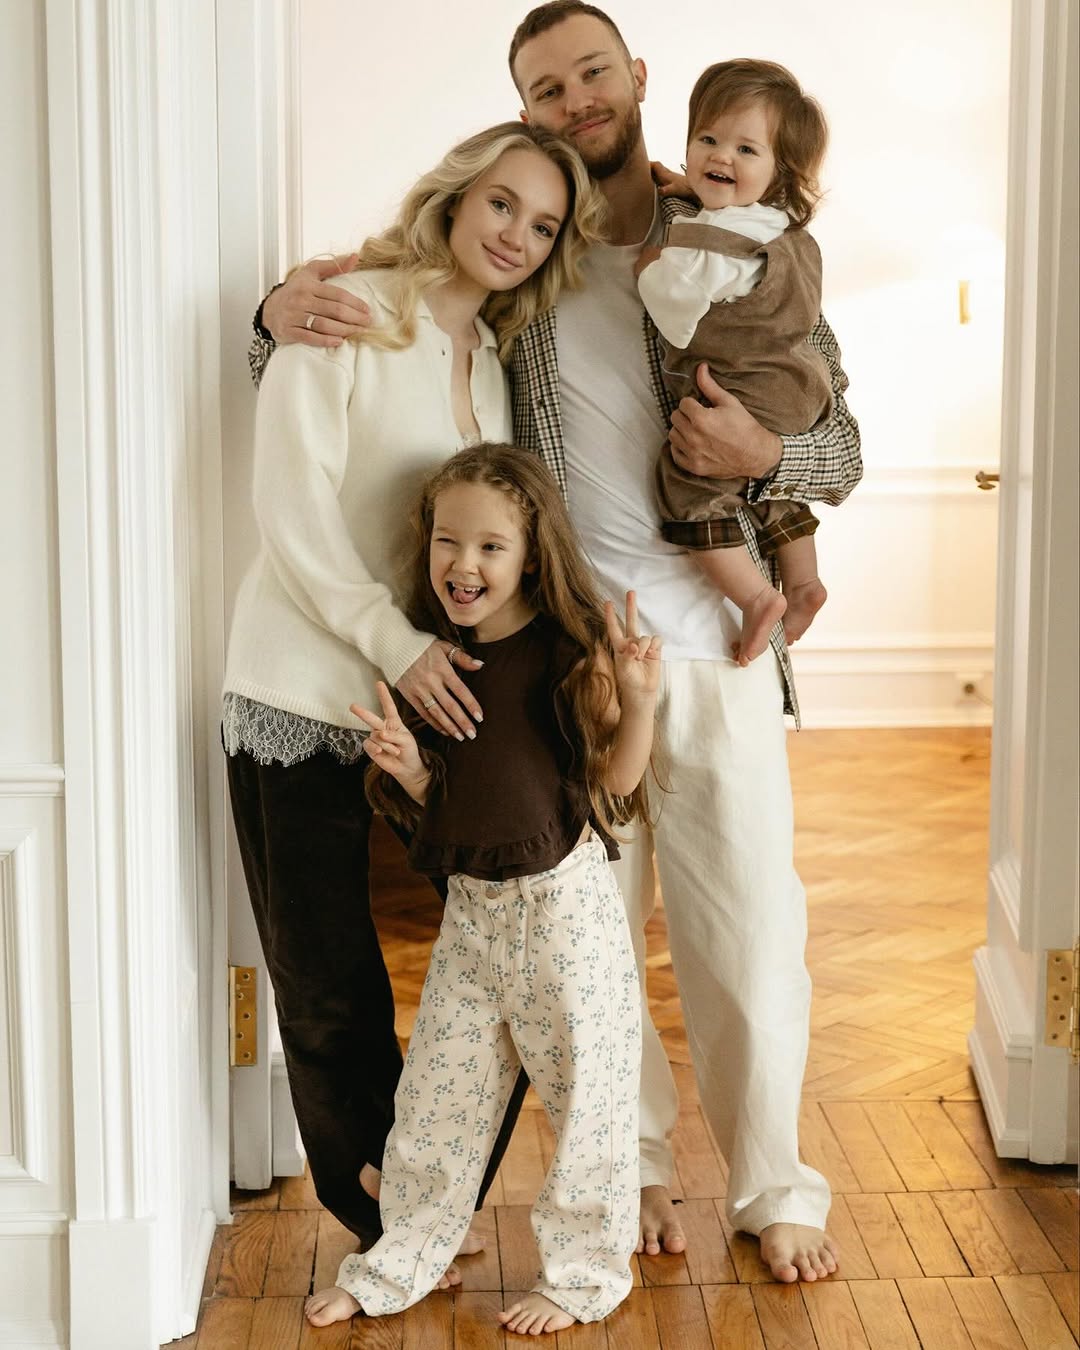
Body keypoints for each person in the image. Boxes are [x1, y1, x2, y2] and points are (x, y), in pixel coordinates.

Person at [254, 0, 862, 1284]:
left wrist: (765, 452)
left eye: (593, 72)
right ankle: (625, 1169)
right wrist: (273, 310)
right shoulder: (530, 264)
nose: (576, 99)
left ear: (635, 77)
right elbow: (397, 310)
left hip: (722, 646)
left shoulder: (743, 235)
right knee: (588, 945)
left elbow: (840, 442)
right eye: (547, 87)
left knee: (751, 931)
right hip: (576, 661)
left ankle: (774, 1185)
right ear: (524, 110)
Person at [224, 120, 604, 1256]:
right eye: (503, 204)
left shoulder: (494, 358)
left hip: (434, 707)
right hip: (300, 690)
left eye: (544, 226)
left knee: (506, 965)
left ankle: (427, 1196)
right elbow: (290, 512)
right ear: (456, 195)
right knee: (327, 979)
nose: (517, 236)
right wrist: (391, 643)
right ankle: (379, 1219)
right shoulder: (347, 310)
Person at [304, 444, 660, 1335]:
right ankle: (395, 1264)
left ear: (531, 555)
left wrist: (641, 701)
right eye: (447, 542)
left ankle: (583, 1278)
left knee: (589, 1108)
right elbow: (456, 805)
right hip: (473, 917)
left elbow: (616, 784)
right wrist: (410, 769)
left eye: (491, 546)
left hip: (565, 917)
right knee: (435, 1105)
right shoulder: (436, 664)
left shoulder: (568, 655)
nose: (464, 564)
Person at [635, 59, 832, 666]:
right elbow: (729, 217)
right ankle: (804, 580)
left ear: (779, 172)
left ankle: (756, 597)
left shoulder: (704, 241)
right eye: (708, 139)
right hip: (799, 386)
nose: (721, 156)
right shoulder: (778, 225)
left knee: (690, 483)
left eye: (746, 148)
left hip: (744, 388)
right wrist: (694, 189)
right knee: (767, 490)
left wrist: (648, 270)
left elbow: (677, 314)